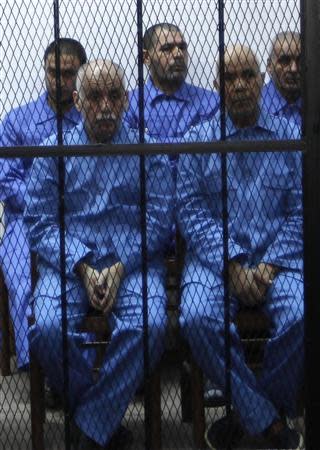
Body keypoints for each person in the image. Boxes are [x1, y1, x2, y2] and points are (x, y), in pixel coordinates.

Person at [25, 60, 173, 450]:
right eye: (94, 96)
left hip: (134, 264)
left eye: (113, 96)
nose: (104, 105)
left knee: (153, 325)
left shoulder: (149, 150)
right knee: (47, 331)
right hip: (70, 265)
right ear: (77, 100)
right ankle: (103, 417)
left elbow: (159, 219)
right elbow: (38, 221)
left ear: (127, 100)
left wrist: (123, 263)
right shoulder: (51, 152)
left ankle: (90, 423)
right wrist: (80, 264)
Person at [177, 44, 303, 450]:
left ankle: (250, 412)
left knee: (302, 311)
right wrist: (230, 263)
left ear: (261, 81)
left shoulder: (291, 137)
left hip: (278, 260)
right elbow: (190, 211)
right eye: (229, 78)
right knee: (195, 316)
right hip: (214, 262)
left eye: (247, 75)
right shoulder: (198, 139)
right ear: (217, 85)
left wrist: (268, 267)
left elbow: (303, 210)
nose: (240, 85)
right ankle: (268, 422)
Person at [0, 38, 87, 371]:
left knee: (81, 284)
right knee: (23, 279)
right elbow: (7, 184)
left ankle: (74, 368)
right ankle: (40, 367)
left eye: (68, 73)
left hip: (81, 221)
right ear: (44, 71)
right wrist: (48, 205)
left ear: (80, 75)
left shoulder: (92, 121)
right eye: (54, 72)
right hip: (26, 221)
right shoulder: (18, 121)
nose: (59, 80)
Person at [124, 22, 219, 174]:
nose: (178, 54)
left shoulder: (212, 102)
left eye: (182, 47)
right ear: (146, 57)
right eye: (167, 49)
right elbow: (126, 149)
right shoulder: (128, 103)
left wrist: (150, 144)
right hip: (145, 194)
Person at [261, 31, 301, 128]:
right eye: (284, 61)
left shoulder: (314, 105)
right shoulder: (256, 106)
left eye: (300, 60)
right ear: (269, 66)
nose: (294, 69)